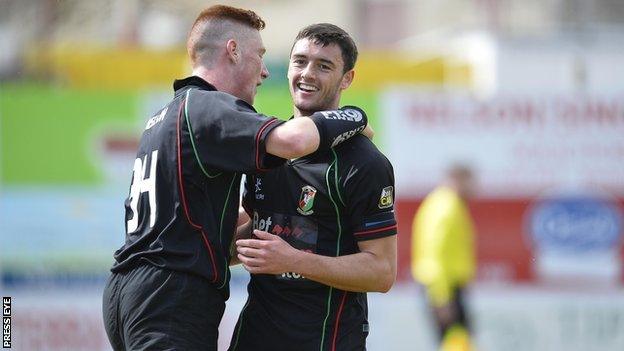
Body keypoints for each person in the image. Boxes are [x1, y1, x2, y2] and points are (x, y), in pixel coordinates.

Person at [102, 6, 371, 351]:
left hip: (130, 288)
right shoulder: (211, 107)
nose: (263, 72)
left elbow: (203, 228)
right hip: (171, 293)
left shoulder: (167, 112)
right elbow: (294, 141)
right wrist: (354, 116)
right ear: (232, 50)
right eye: (259, 56)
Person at [230, 23, 397, 351]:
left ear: (347, 79)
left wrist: (294, 260)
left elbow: (382, 270)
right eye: (300, 61)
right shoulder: (269, 149)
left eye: (324, 65)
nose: (307, 73)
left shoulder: (364, 162)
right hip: (255, 335)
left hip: (325, 340)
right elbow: (257, 231)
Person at [411, 164, 476, 350]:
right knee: (456, 344)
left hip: (443, 286)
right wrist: (441, 297)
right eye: (471, 182)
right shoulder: (446, 207)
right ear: (459, 180)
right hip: (443, 288)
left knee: (456, 343)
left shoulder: (442, 203)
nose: (474, 189)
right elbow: (434, 253)